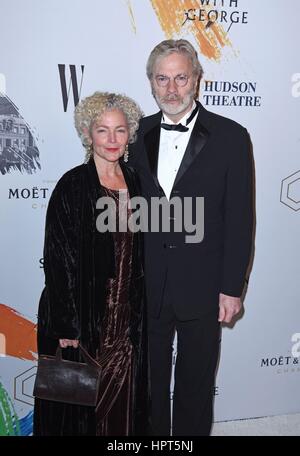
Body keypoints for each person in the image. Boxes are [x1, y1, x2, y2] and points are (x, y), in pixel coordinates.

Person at [129, 39, 254, 436]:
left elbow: (239, 219)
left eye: (180, 77)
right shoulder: (136, 134)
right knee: (146, 388)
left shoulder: (232, 136)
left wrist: (231, 288)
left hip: (203, 287)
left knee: (195, 387)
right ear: (150, 82)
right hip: (145, 285)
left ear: (197, 79)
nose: (171, 88)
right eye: (162, 78)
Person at [33, 92, 149, 436]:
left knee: (123, 410)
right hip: (83, 320)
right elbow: (58, 258)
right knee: (79, 412)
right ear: (88, 134)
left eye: (119, 130)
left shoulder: (138, 182)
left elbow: (142, 251)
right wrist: (66, 326)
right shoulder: (73, 185)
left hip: (127, 323)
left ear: (130, 134)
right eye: (102, 130)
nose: (112, 140)